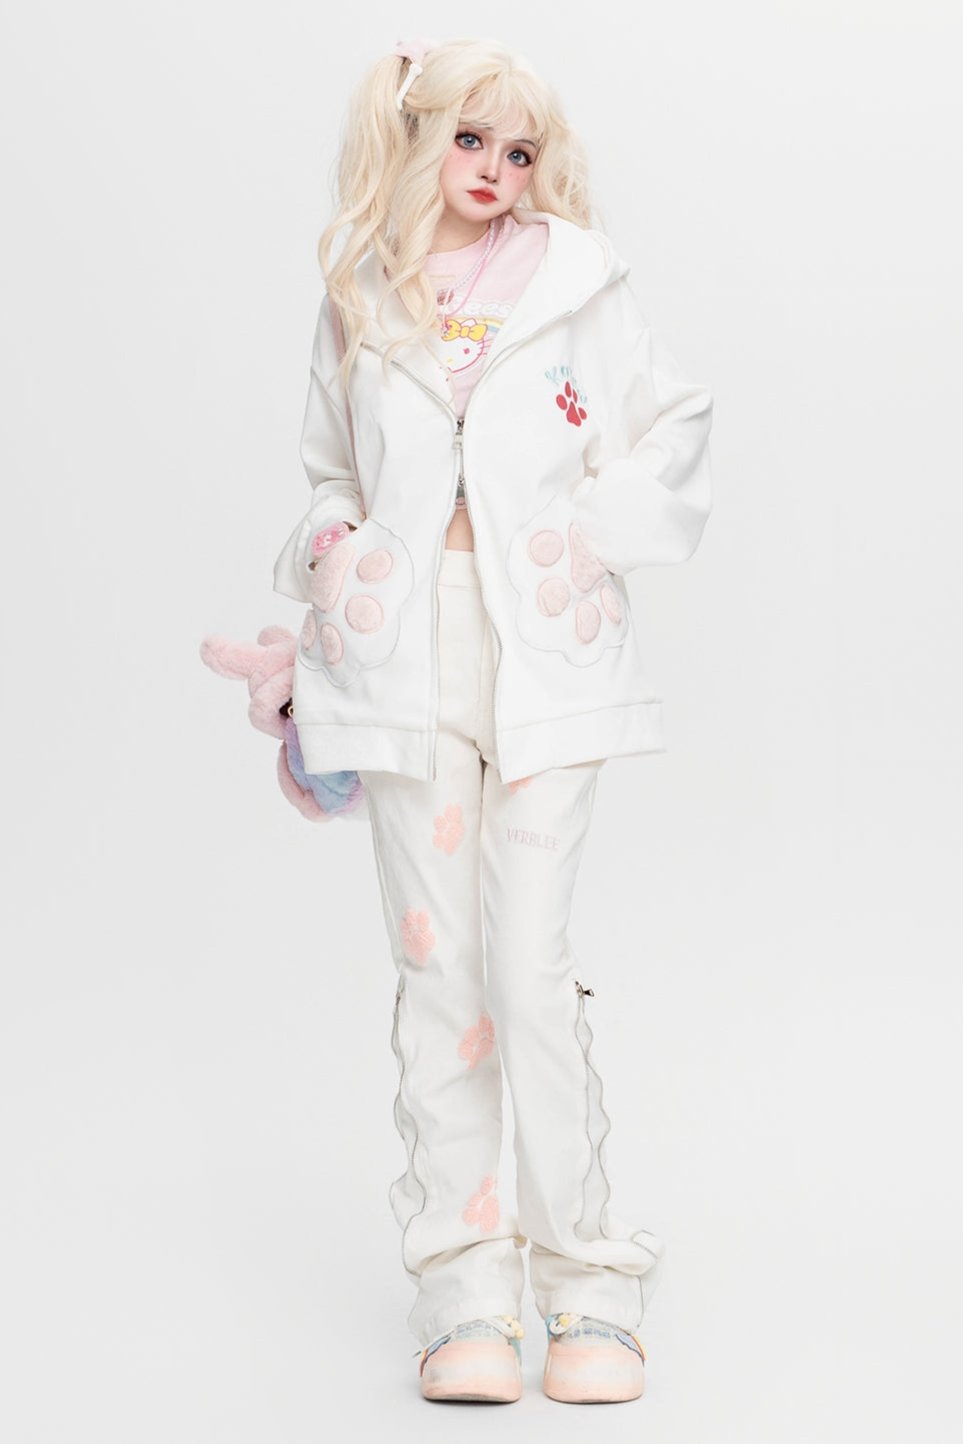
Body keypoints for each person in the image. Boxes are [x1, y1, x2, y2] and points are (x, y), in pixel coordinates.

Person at [272, 35, 714, 1405]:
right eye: (470, 140)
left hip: (547, 660)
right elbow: (328, 470)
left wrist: (594, 535)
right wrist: (333, 549)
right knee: (441, 978)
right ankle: (464, 1294)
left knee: (527, 970)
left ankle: (589, 1287)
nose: (495, 171)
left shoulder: (581, 280)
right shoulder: (361, 288)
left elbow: (671, 426)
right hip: (402, 663)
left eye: (518, 151)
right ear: (418, 138)